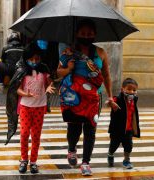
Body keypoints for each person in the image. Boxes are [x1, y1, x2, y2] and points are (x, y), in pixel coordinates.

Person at [57, 20, 119, 176]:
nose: (86, 36)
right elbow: (58, 72)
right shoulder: (69, 52)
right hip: (74, 98)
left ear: (95, 35)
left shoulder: (101, 53)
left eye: (90, 34)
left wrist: (110, 96)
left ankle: (86, 162)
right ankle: (72, 149)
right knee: (74, 128)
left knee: (91, 130)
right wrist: (69, 68)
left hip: (93, 99)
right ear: (77, 34)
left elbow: (106, 75)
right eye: (83, 33)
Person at [7, 42, 55, 174]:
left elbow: (49, 81)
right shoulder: (22, 71)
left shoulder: (44, 70)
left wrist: (49, 86)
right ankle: (24, 160)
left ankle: (33, 162)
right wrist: (26, 94)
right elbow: (17, 89)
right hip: (25, 107)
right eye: (31, 59)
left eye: (37, 59)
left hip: (40, 107)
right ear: (26, 58)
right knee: (24, 134)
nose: (34, 61)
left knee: (36, 135)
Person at [107, 78, 140, 169]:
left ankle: (126, 160)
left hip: (128, 129)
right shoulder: (117, 99)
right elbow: (110, 102)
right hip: (117, 129)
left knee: (129, 146)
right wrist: (110, 103)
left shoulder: (134, 100)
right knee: (114, 145)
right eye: (129, 89)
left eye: (134, 90)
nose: (131, 92)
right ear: (122, 89)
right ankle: (110, 154)